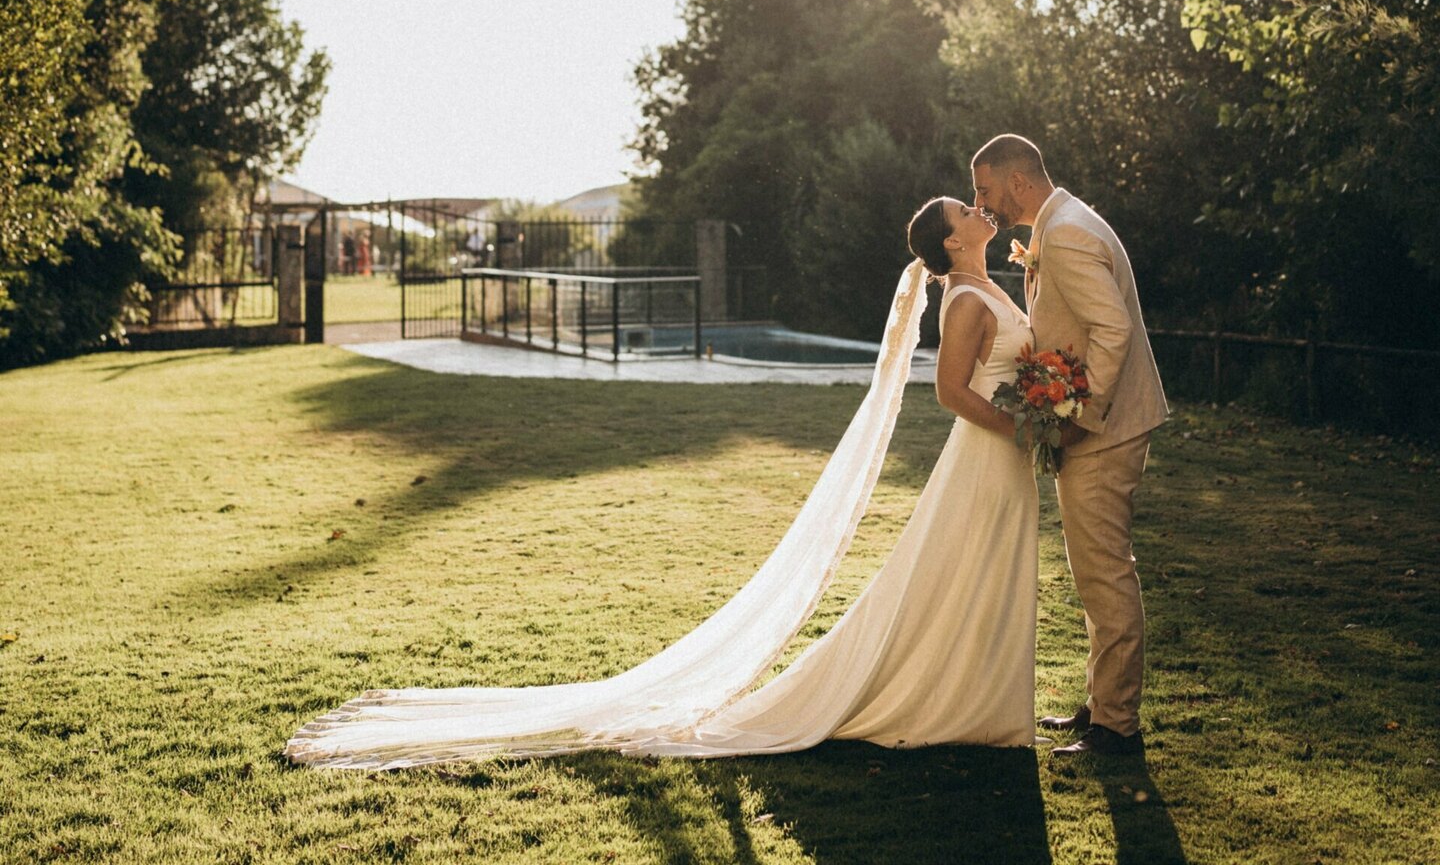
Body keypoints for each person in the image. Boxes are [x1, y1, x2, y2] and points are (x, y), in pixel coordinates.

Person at [284, 199, 1038, 769]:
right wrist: (1026, 426)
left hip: (1005, 453)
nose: (979, 211)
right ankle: (951, 698)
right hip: (989, 452)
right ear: (951, 240)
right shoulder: (966, 299)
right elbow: (947, 393)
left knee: (977, 572)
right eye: (965, 209)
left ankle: (976, 695)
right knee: (957, 568)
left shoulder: (989, 285)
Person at [971, 133, 1168, 757]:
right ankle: (1100, 703)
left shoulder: (1070, 233)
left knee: (1105, 572)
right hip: (1094, 423)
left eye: (985, 189)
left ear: (1018, 183)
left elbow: (1113, 329)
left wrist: (1082, 417)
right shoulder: (1061, 224)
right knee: (1091, 571)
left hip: (1106, 430)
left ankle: (1117, 729)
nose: (982, 202)